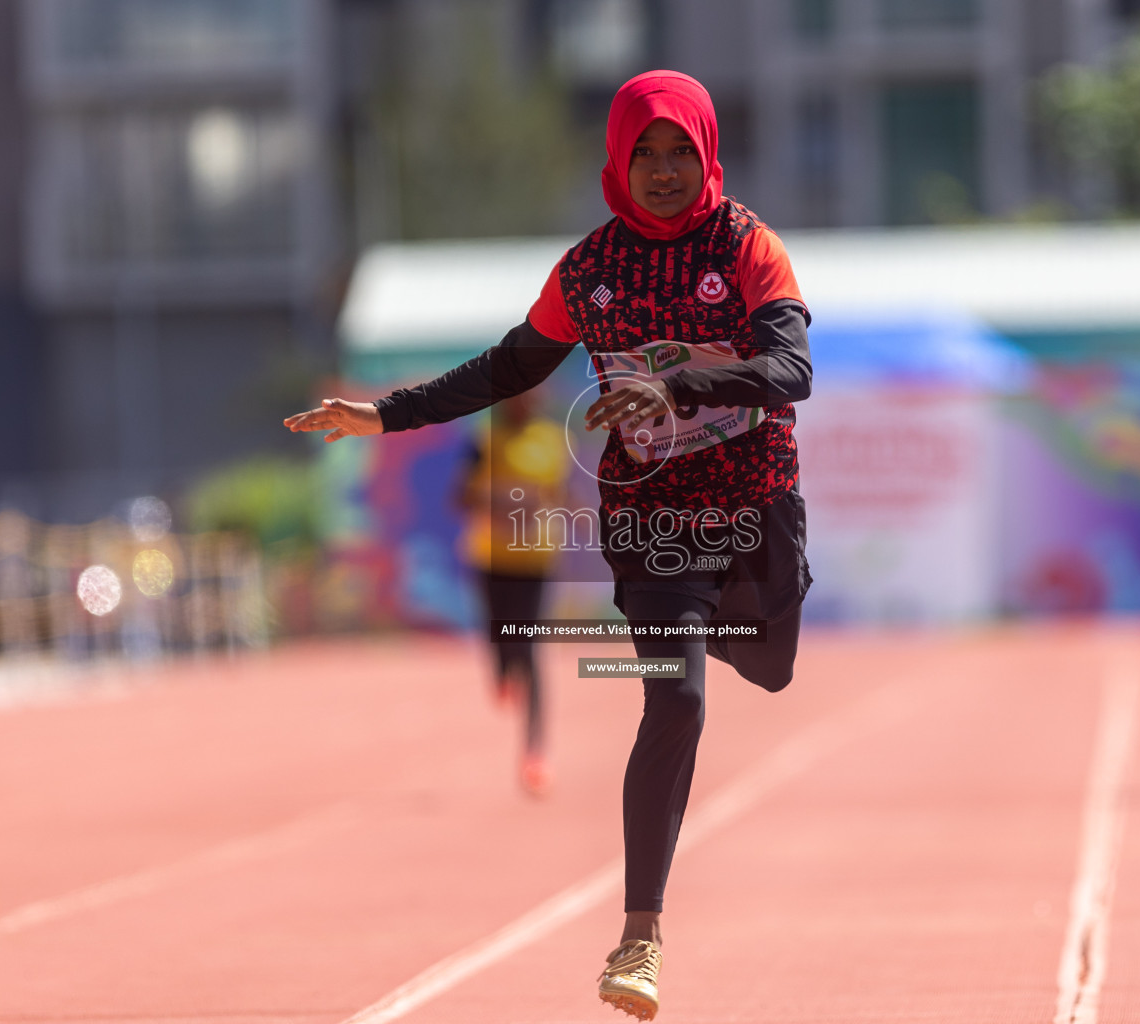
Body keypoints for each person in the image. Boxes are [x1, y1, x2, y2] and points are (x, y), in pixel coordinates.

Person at [286, 70, 812, 1020]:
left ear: (706, 153)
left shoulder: (745, 247)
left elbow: (791, 369)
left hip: (752, 499)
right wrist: (382, 416)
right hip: (651, 515)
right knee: (676, 698)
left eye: (678, 152)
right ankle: (639, 936)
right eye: (641, 153)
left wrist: (678, 389)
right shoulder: (588, 271)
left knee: (768, 663)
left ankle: (746, 624)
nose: (660, 171)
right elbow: (507, 366)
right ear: (614, 158)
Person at [453, 390, 569, 796]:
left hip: (536, 558)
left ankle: (535, 752)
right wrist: (501, 502)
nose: (527, 401)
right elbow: (461, 497)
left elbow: (561, 494)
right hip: (491, 557)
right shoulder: (484, 439)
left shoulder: (552, 439)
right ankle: (503, 671)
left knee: (531, 650)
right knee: (503, 640)